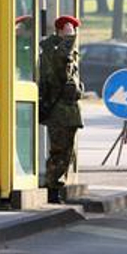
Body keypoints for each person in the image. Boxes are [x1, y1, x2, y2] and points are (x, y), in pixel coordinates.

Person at [39, 15, 84, 202]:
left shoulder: (67, 50)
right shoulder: (55, 49)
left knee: (67, 151)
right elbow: (60, 64)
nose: (73, 33)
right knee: (60, 151)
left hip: (69, 110)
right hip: (59, 110)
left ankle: (56, 186)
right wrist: (69, 37)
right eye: (68, 28)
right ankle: (53, 189)